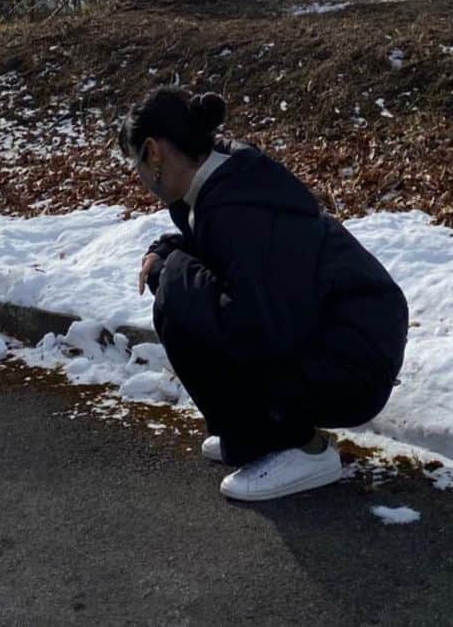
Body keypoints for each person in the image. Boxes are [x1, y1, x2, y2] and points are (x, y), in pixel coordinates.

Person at [118, 86, 408, 502]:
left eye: (136, 165)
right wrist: (167, 251)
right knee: (181, 290)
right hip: (336, 339)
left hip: (354, 363)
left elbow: (256, 325)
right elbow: (223, 258)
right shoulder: (220, 181)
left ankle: (300, 448)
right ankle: (255, 436)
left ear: (154, 152)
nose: (140, 180)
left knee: (177, 300)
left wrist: (174, 272)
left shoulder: (237, 204)